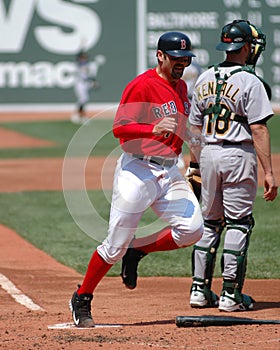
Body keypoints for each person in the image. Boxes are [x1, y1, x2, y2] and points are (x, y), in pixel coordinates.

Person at [69, 32, 204, 327]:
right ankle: (82, 296)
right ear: (160, 56)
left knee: (193, 231)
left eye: (185, 58)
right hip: (137, 170)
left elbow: (185, 127)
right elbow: (120, 128)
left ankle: (139, 249)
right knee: (114, 246)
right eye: (175, 58)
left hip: (170, 171)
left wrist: (195, 165)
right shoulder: (141, 85)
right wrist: (151, 128)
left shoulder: (180, 86)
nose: (182, 62)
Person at [187, 19, 278, 312]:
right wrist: (270, 173)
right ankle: (229, 295)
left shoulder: (204, 78)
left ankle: (199, 291)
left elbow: (194, 127)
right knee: (238, 223)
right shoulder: (250, 81)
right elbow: (259, 130)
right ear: (247, 47)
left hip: (208, 154)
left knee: (210, 223)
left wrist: (194, 164)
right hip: (237, 155)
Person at [71, 51, 98, 124]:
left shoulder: (88, 65)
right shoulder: (78, 64)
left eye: (85, 57)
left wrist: (94, 82)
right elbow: (79, 65)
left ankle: (81, 116)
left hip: (86, 83)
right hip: (80, 83)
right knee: (83, 99)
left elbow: (91, 75)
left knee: (84, 99)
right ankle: (77, 115)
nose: (84, 59)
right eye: (83, 57)